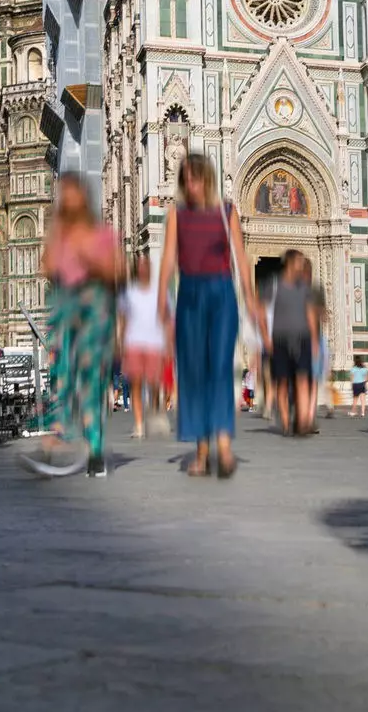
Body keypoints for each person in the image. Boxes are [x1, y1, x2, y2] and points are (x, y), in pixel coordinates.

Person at [160, 154, 260, 478]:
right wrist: (161, 300)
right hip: (189, 294)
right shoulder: (176, 214)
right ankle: (202, 453)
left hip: (221, 295)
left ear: (207, 178)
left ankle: (224, 447)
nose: (191, 185)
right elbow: (168, 260)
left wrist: (251, 298)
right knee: (195, 374)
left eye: (196, 177)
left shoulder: (226, 211)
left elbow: (242, 259)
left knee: (218, 370)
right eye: (186, 179)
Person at [26, 173, 122, 478]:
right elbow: (47, 266)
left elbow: (113, 272)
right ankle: (52, 444)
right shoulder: (60, 234)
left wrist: (88, 260)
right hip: (66, 313)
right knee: (61, 379)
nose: (66, 199)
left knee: (90, 384)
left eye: (71, 193)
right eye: (62, 194)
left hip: (93, 314)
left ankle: (95, 451)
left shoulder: (100, 233)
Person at [266, 250, 324, 437]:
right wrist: (265, 337)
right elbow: (260, 310)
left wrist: (315, 340)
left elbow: (310, 313)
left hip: (302, 338)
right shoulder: (274, 286)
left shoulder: (306, 289)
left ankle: (304, 422)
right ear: (289, 263)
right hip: (280, 339)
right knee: (282, 382)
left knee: (302, 379)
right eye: (298, 262)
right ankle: (285, 421)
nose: (301, 266)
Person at [118, 253, 169, 440]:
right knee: (136, 385)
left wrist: (169, 342)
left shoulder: (159, 293)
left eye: (145, 266)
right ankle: (139, 424)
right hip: (134, 344)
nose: (142, 269)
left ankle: (154, 411)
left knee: (154, 383)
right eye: (139, 266)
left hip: (155, 343)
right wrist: (120, 344)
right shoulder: (128, 294)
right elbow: (123, 320)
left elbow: (167, 318)